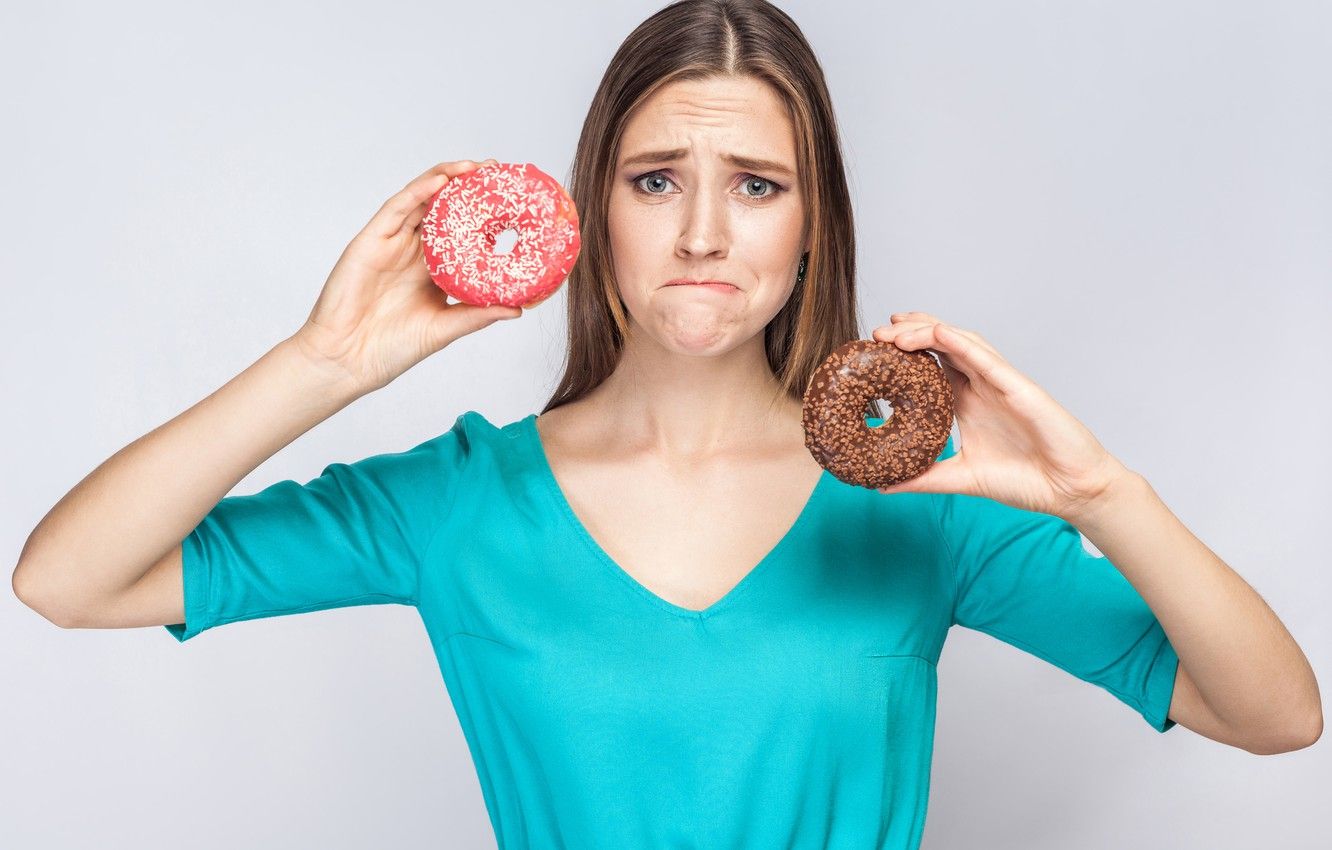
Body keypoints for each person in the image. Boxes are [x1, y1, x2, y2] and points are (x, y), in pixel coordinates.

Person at [13, 1, 1320, 848]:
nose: (702, 232)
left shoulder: (919, 505)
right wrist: (325, 360)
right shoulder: (458, 502)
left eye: (755, 185)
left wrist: (1101, 494)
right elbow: (68, 578)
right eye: (657, 180)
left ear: (811, 229)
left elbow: (1273, 715)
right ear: (595, 212)